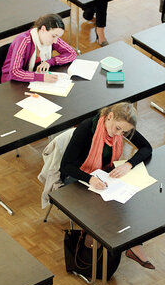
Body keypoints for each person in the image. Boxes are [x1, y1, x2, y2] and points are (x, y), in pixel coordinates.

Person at [59, 102, 155, 269]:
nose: (120, 134)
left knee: (130, 200)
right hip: (78, 177)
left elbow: (146, 147)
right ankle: (125, 245)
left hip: (104, 176)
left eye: (124, 132)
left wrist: (128, 164)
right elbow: (66, 166)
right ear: (109, 116)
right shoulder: (86, 128)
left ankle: (129, 243)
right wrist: (90, 179)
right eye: (118, 129)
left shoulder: (122, 126)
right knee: (107, 207)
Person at [0, 14, 77, 83]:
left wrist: (50, 62)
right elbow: (15, 72)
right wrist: (41, 77)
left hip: (33, 78)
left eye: (58, 37)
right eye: (53, 36)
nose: (55, 41)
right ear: (43, 29)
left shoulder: (52, 38)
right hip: (13, 83)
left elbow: (72, 53)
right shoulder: (23, 40)